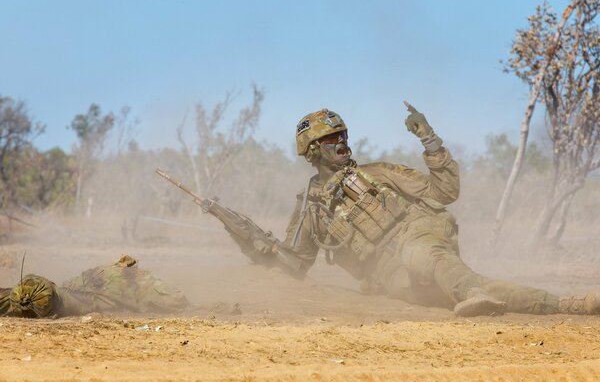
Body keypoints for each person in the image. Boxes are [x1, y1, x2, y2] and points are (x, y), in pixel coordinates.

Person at [237, 104, 599, 317]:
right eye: (331, 140)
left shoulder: (376, 173)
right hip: (385, 271)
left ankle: (472, 295)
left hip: (419, 236)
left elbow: (445, 191)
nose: (342, 144)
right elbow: (296, 263)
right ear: (312, 151)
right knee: (458, 292)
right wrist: (252, 241)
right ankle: (569, 304)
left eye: (343, 136)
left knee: (424, 256)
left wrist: (429, 140)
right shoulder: (309, 209)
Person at [0, 255, 189, 318]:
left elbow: (67, 287)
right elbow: (176, 301)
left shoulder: (99, 272)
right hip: (48, 298)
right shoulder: (141, 281)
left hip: (46, 291)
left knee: (19, 296)